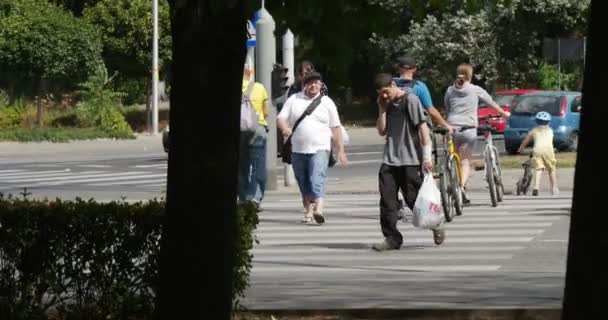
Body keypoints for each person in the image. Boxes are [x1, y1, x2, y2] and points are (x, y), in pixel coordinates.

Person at [373, 73, 445, 251]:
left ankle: (435, 225)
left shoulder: (410, 100)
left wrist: (427, 158)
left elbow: (422, 129)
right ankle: (392, 238)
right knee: (387, 202)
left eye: (386, 91)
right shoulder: (386, 104)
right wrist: (381, 110)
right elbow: (382, 131)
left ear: (393, 84)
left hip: (410, 160)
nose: (384, 95)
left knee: (414, 201)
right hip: (389, 160)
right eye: (380, 93)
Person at [277, 72, 347, 224]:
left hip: (320, 147)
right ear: (304, 85)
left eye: (316, 82)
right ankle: (308, 210)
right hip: (298, 148)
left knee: (317, 178)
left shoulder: (327, 102)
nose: (313, 85)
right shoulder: (294, 99)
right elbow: (281, 118)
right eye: (310, 83)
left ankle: (319, 209)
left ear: (321, 85)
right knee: (303, 181)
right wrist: (284, 129)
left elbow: (335, 127)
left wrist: (340, 149)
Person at [444, 63, 510, 203]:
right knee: (465, 161)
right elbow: (491, 103)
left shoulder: (450, 90)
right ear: (470, 75)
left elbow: (447, 107)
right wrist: (504, 114)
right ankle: (461, 187)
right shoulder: (475, 89)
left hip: (452, 128)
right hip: (468, 128)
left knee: (454, 158)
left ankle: (456, 185)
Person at [238, 63, 270, 209]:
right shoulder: (259, 88)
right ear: (249, 73)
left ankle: (243, 198)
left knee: (241, 166)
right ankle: (255, 197)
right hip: (257, 129)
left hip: (238, 131)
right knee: (258, 165)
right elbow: (267, 112)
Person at [393, 55, 452, 132]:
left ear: (399, 68)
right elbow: (430, 110)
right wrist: (446, 125)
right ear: (414, 69)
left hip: (395, 129)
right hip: (415, 130)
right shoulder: (419, 86)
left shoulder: (391, 84)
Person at [517, 111, 559, 196]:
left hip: (537, 150)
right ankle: (554, 188)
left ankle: (536, 187)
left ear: (536, 121)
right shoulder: (550, 130)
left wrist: (521, 149)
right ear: (549, 122)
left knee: (539, 169)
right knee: (551, 169)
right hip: (549, 151)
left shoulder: (534, 130)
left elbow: (526, 141)